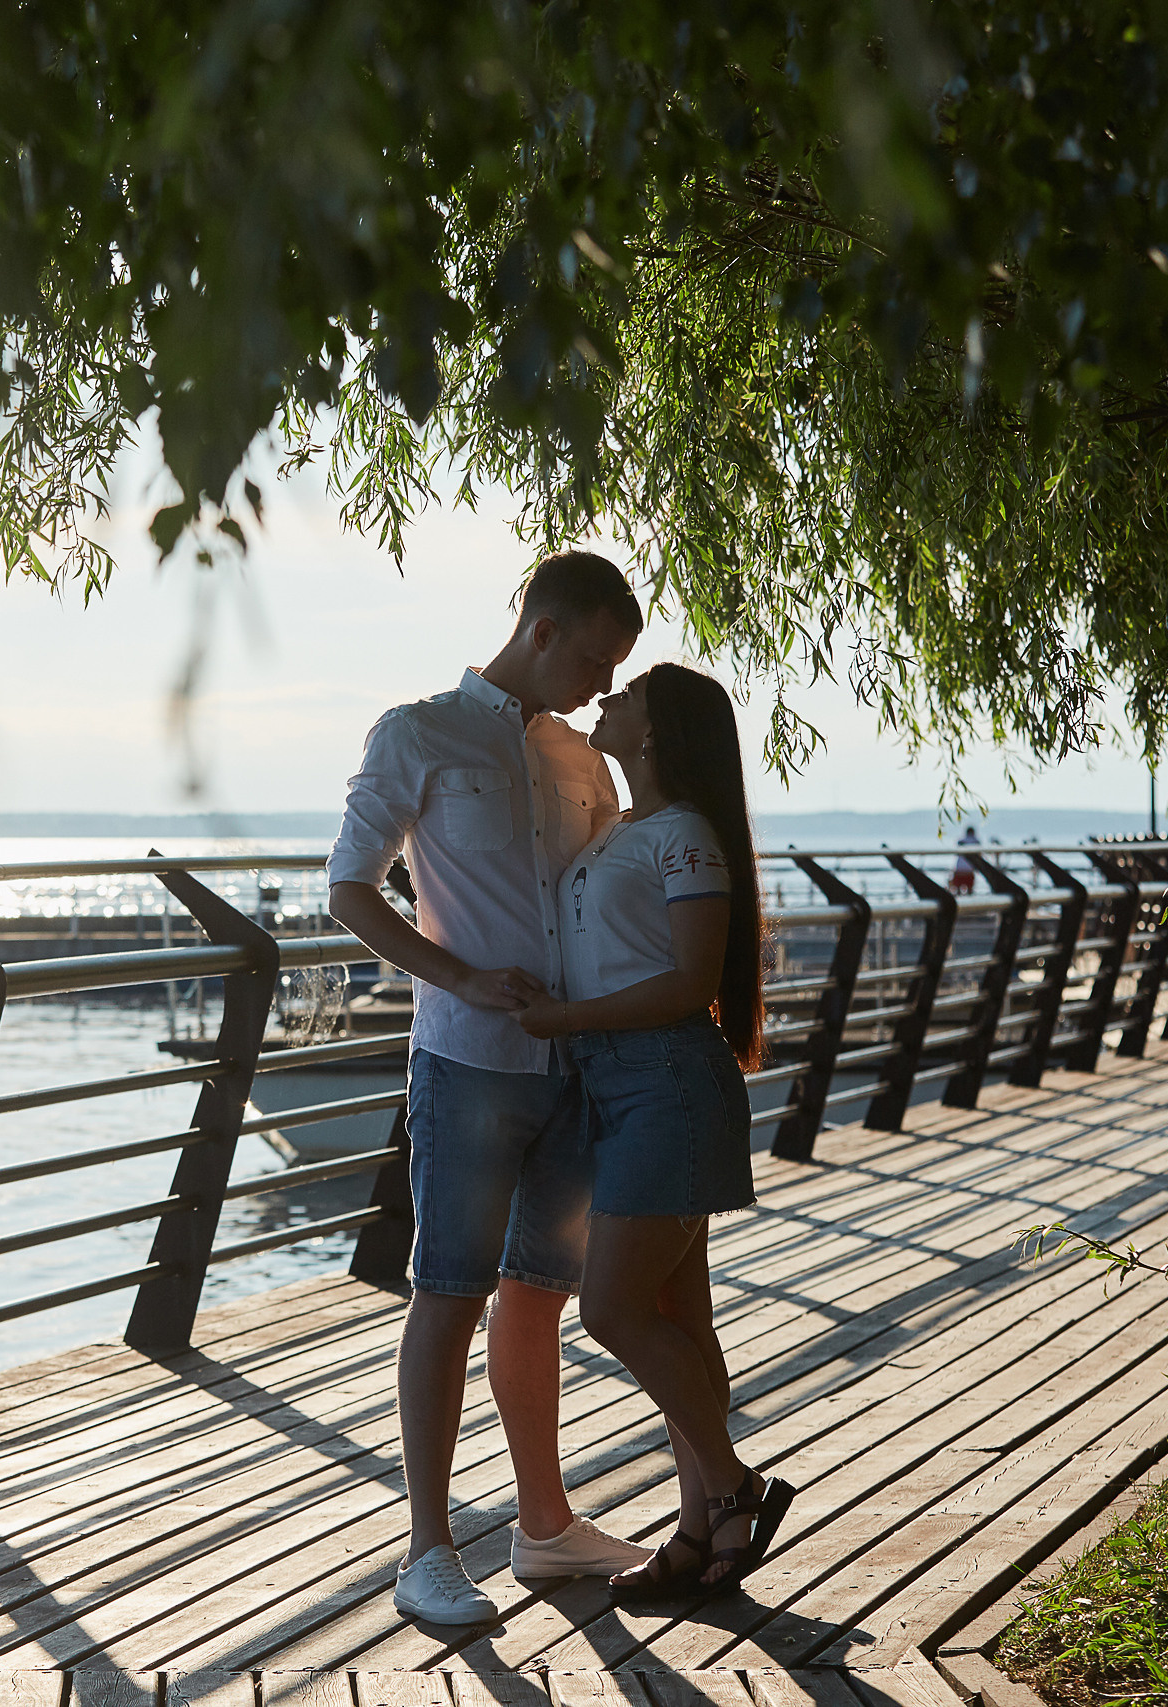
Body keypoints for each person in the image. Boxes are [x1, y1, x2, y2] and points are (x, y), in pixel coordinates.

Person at [327, 550, 652, 1625]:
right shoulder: (415, 731)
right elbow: (349, 890)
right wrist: (460, 974)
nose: (604, 684)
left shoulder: (580, 759)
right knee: (448, 1291)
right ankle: (424, 1552)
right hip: (464, 1062)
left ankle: (544, 1528)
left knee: (540, 1297)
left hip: (571, 1065)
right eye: (599, 658)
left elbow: (605, 896)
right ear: (546, 630)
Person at [508, 663, 797, 1597]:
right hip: (618, 1088)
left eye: (626, 694)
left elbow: (689, 984)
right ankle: (698, 1528)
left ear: (658, 731)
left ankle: (734, 1485)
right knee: (680, 1316)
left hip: (666, 1083)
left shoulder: (685, 838)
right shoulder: (621, 829)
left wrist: (564, 1019)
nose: (606, 699)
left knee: (611, 1309)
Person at [949, 826, 980, 897]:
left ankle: (959, 904)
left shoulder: (960, 841)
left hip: (959, 870)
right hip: (969, 870)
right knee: (970, 890)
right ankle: (970, 904)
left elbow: (956, 854)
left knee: (958, 891)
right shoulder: (976, 842)